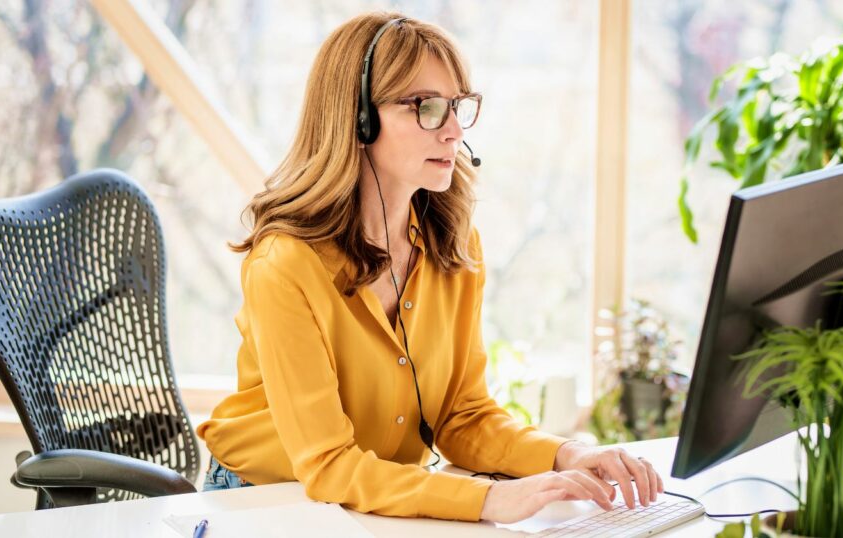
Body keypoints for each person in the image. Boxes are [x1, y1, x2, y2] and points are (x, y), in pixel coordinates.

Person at [196, 11, 664, 524]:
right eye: (427, 108)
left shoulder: (454, 246)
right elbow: (328, 465)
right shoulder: (284, 265)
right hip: (261, 498)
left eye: (459, 107)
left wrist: (568, 455)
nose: (454, 130)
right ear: (357, 119)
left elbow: (464, 418)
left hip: (379, 496)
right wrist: (487, 500)